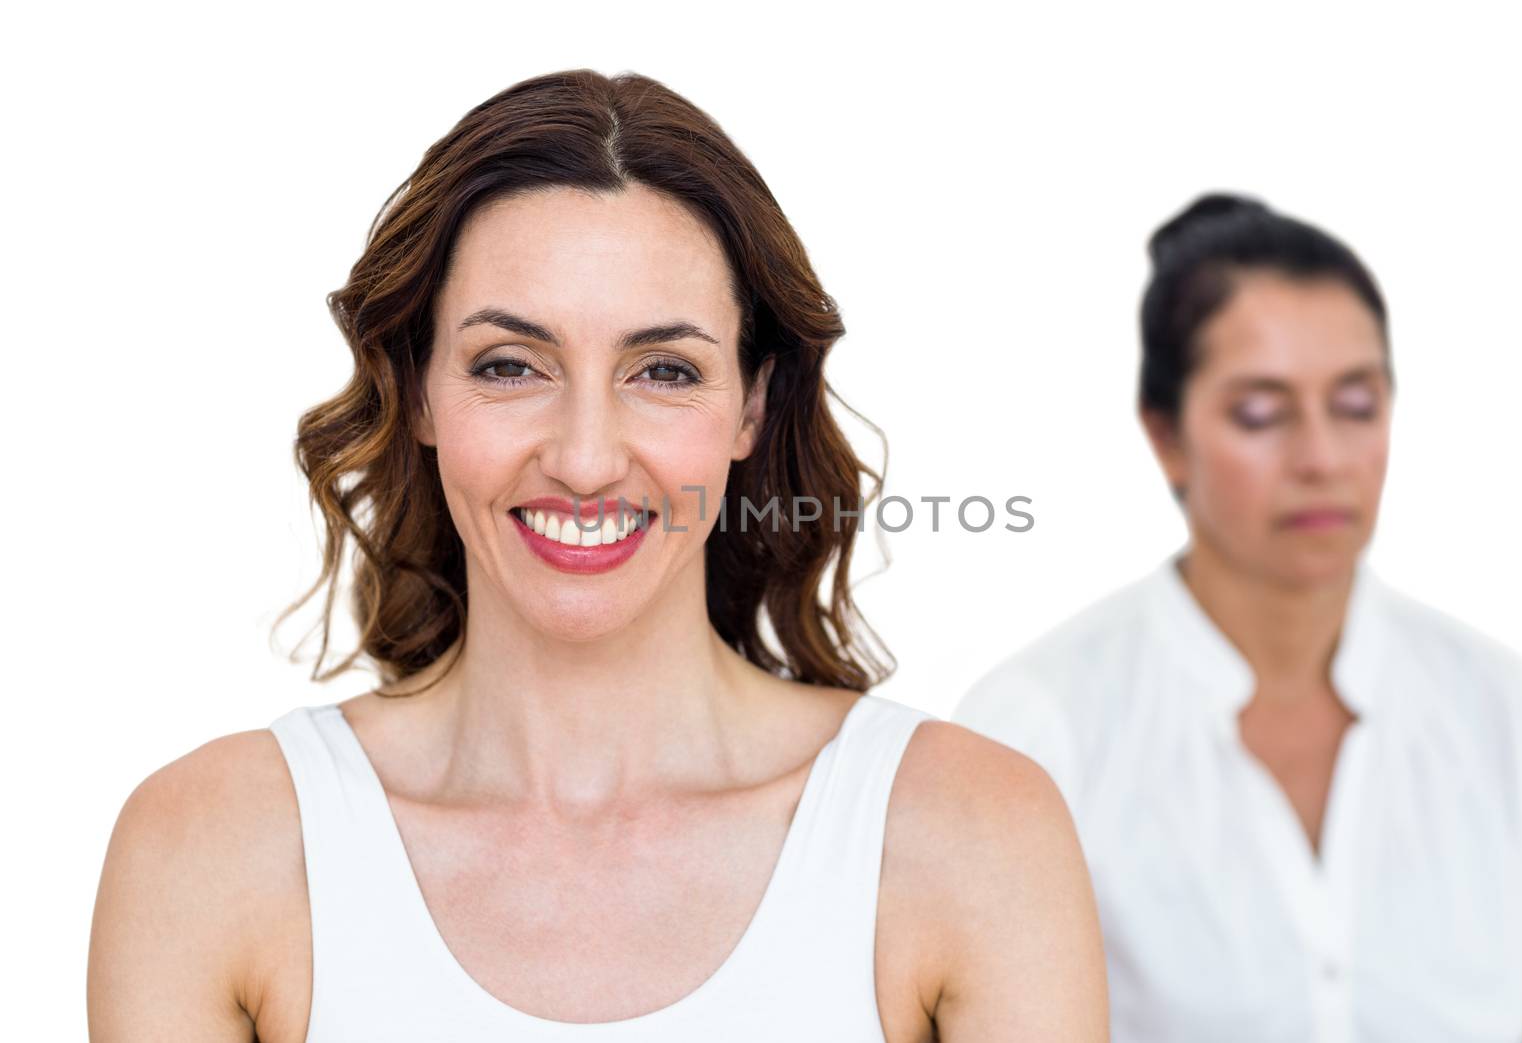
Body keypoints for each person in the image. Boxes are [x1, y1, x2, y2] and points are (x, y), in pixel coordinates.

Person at [86, 70, 1107, 1041]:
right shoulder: (209, 851)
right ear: (421, 388)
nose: (583, 457)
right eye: (509, 365)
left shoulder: (971, 835)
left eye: (663, 369)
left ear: (751, 403)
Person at [954, 193, 1522, 1041]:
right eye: (1261, 412)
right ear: (1167, 436)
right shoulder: (1039, 733)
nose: (1321, 458)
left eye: (1357, 404)